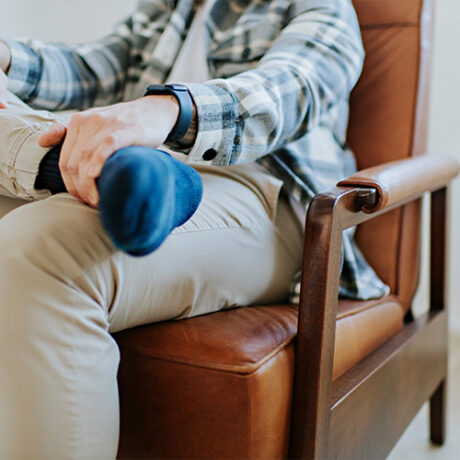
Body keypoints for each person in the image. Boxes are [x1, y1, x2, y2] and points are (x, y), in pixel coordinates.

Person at [0, 0, 389, 458]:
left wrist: (165, 111)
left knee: (41, 250)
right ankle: (83, 169)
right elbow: (94, 66)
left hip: (265, 193)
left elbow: (289, 89)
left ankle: (111, 173)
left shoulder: (319, 6)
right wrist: (6, 55)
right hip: (148, 165)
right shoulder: (172, 7)